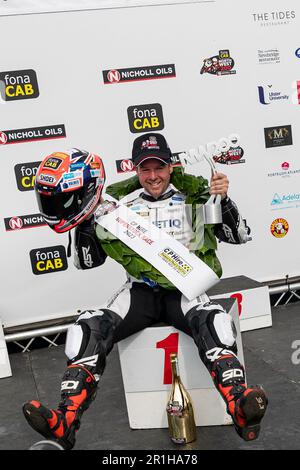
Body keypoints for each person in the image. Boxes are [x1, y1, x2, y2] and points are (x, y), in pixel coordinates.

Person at [23, 134, 268, 449]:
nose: (153, 176)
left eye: (159, 167)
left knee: (215, 323)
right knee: (88, 328)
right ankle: (65, 420)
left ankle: (240, 407)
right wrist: (84, 220)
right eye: (145, 169)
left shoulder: (195, 195)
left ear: (170, 165)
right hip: (140, 292)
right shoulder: (118, 206)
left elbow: (237, 237)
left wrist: (224, 200)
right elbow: (88, 263)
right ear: (135, 170)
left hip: (184, 288)